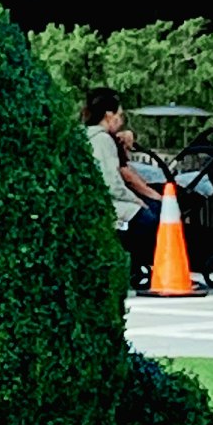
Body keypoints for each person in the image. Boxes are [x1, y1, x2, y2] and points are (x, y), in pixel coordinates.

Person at [82, 87, 164, 288]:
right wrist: (136, 200)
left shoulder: (87, 136)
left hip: (96, 200)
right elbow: (112, 183)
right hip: (110, 203)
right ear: (109, 115)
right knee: (149, 217)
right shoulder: (102, 140)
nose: (121, 121)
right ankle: (141, 264)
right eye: (119, 115)